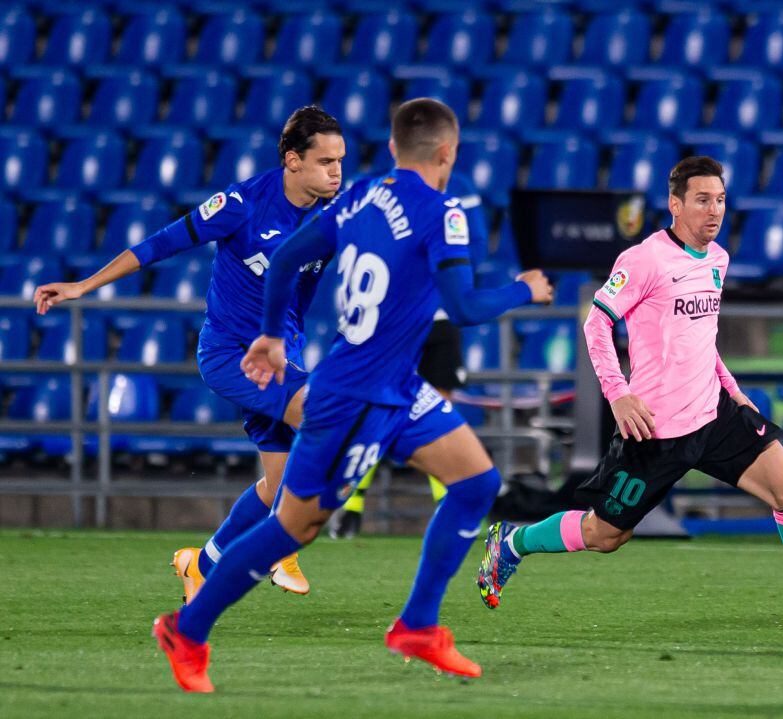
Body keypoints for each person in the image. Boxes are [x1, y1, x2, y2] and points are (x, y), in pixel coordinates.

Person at [151, 98, 553, 692]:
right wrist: (523, 289)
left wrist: (268, 332)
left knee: (476, 482)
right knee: (295, 526)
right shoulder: (444, 213)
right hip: (357, 396)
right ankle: (186, 629)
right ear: (448, 153)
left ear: (393, 148)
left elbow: (287, 256)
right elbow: (464, 307)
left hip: (396, 385)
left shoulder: (361, 194)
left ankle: (417, 625)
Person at [476, 156, 783, 628]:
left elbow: (701, 339)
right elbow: (596, 322)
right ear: (675, 205)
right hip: (655, 430)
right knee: (606, 534)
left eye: (721, 201)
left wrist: (734, 391)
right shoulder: (644, 259)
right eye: (703, 200)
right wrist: (618, 393)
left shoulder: (717, 259)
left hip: (713, 414)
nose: (714, 211)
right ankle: (511, 542)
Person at [33, 106, 347, 599]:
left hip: (283, 357)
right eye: (326, 161)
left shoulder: (338, 214)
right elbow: (164, 243)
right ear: (292, 160)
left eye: (340, 161)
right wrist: (84, 285)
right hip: (229, 355)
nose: (336, 171)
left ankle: (200, 563)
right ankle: (281, 545)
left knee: (278, 480)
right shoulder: (244, 203)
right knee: (325, 419)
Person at [329, 170, 488, 538]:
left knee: (440, 410)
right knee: (376, 407)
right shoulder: (383, 189)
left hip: (440, 318)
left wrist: (447, 272)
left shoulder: (459, 188)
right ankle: (351, 506)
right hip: (395, 318)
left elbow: (476, 247)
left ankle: (444, 509)